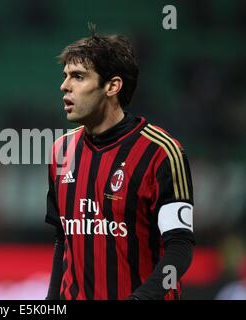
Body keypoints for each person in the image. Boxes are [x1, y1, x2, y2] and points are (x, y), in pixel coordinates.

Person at [45, 25, 195, 300]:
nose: (64, 86)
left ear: (112, 86)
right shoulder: (61, 152)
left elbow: (180, 248)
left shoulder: (161, 152)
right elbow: (62, 240)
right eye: (65, 76)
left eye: (78, 77)